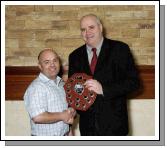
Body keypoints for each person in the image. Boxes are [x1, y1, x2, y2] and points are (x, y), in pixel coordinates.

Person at [68, 14, 140, 136]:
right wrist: (72, 109)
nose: (87, 32)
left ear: (100, 28)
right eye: (83, 29)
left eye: (91, 27)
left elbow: (133, 83)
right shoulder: (74, 56)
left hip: (115, 127)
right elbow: (74, 90)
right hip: (87, 129)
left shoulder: (120, 49)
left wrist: (103, 89)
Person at [24, 48, 76, 136]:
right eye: (47, 62)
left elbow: (65, 112)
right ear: (40, 66)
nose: (52, 65)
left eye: (55, 60)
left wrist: (71, 113)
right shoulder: (37, 87)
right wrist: (62, 116)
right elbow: (38, 117)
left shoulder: (62, 84)